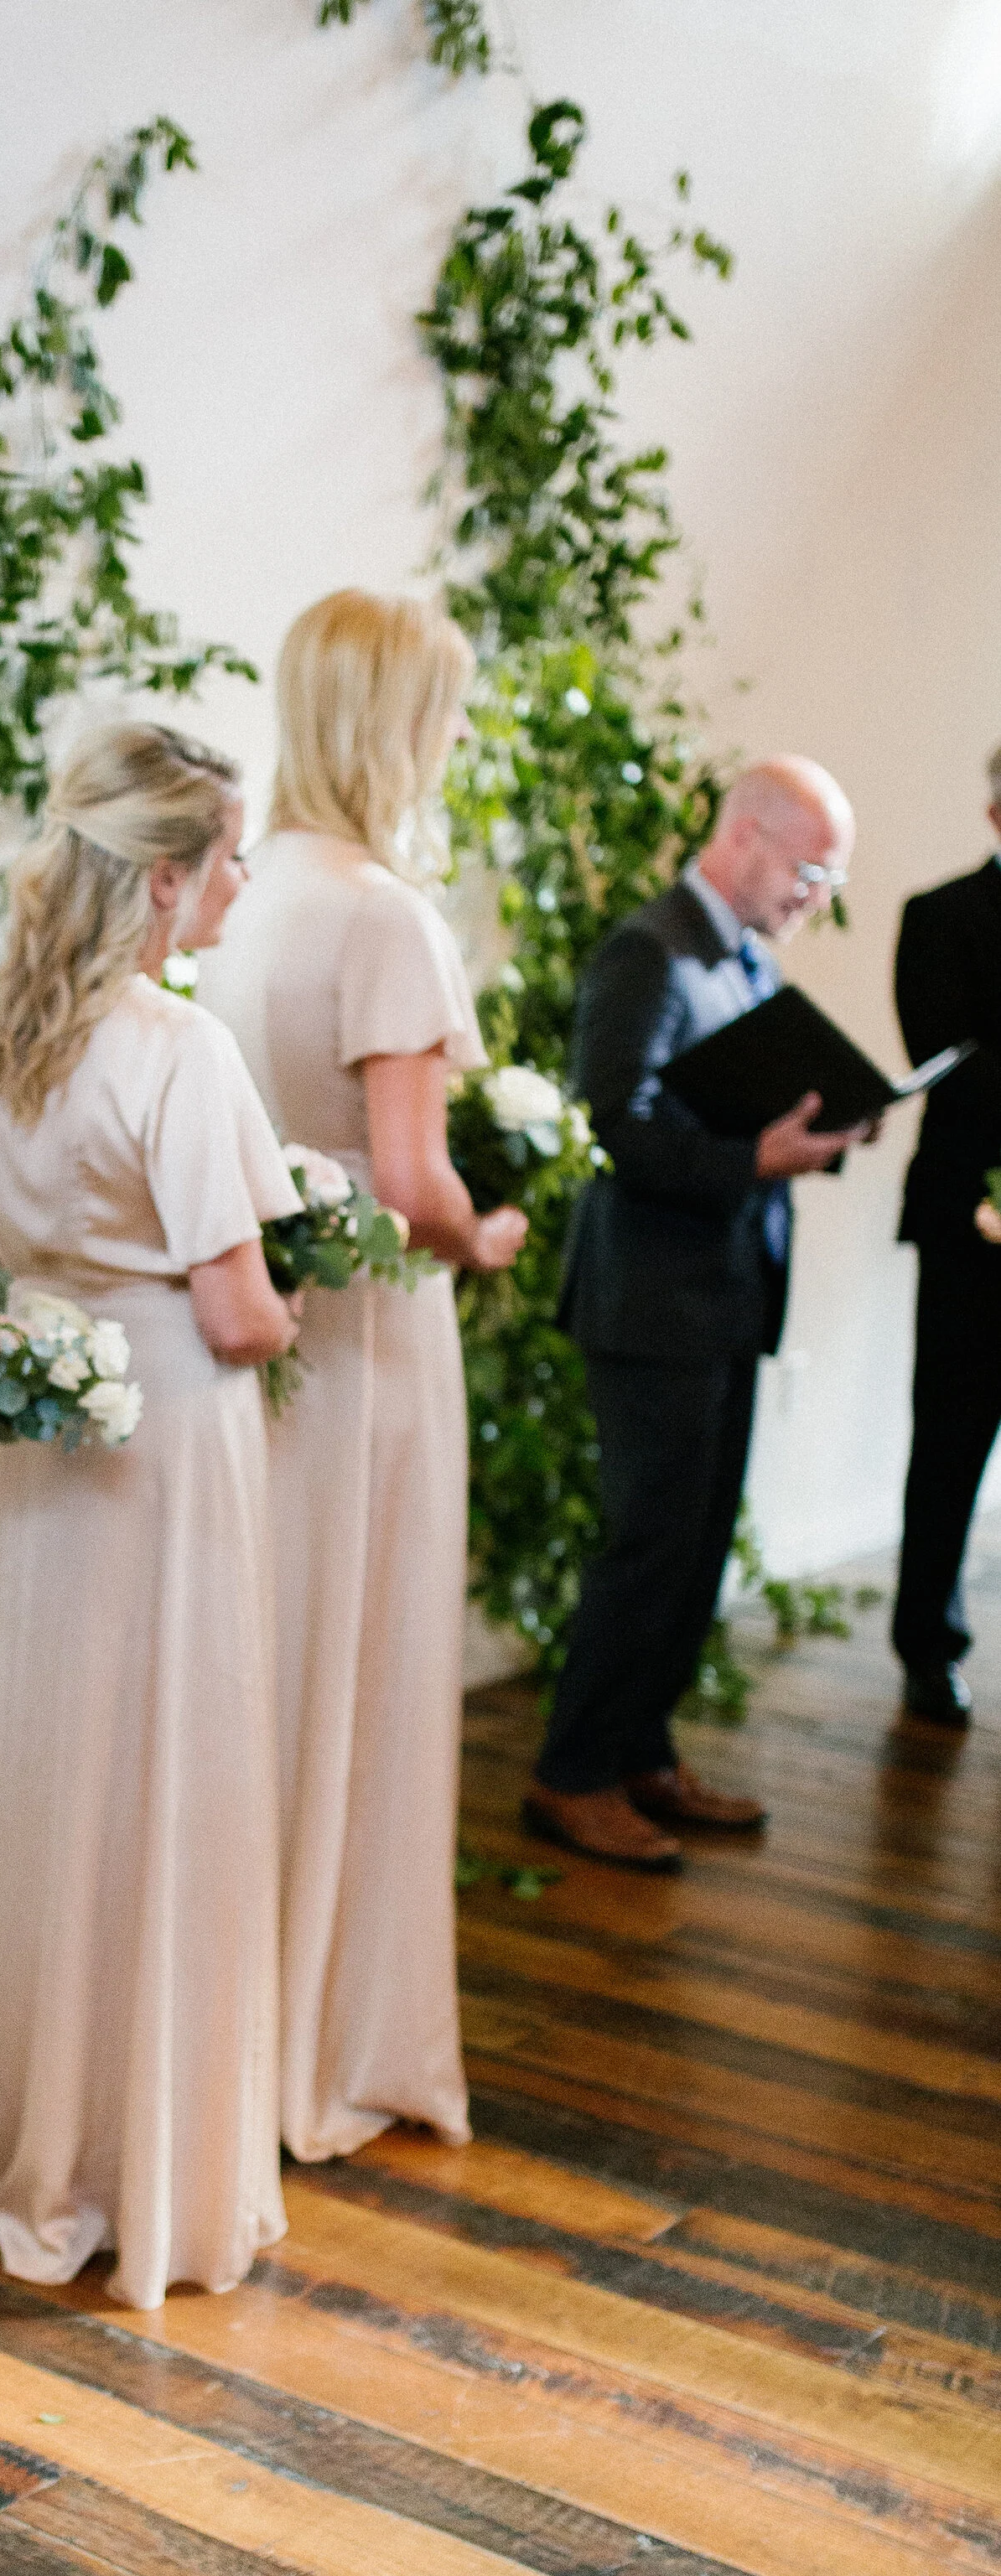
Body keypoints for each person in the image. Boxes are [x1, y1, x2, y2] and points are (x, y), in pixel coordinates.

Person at [0, 723, 299, 2303]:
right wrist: (304, 1306)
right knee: (174, 1768)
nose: (241, 881)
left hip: (51, 1416)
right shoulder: (177, 1049)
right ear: (164, 880)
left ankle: (23, 2130)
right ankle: (147, 2155)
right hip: (170, 1425)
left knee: (49, 1770)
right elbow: (237, 1312)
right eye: (228, 855)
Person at [198, 591, 524, 2161]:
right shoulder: (389, 915)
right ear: (407, 724)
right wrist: (496, 1227)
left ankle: (247, 2032)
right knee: (377, 1669)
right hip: (379, 1334)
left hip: (269, 1333)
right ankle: (346, 2041)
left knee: (285, 1666)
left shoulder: (253, 899)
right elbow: (410, 1181)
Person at [526, 759, 857, 1867]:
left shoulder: (747, 957)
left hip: (722, 1293)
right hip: (652, 1301)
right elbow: (611, 1121)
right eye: (811, 868)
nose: (817, 891)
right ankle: (571, 1773)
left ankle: (642, 1751)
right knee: (649, 1543)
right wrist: (750, 1156)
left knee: (700, 1544)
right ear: (747, 835)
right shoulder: (650, 947)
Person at [889, 742, 1001, 1729]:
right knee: (952, 1437)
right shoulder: (940, 918)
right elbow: (951, 1061)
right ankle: (928, 1644)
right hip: (973, 1226)